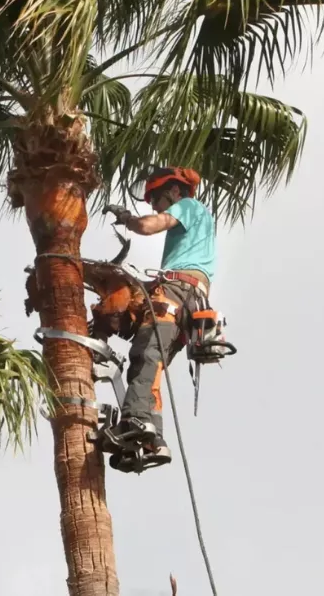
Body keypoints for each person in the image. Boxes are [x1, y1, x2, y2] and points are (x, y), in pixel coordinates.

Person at [106, 166, 215, 468]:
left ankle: (136, 420)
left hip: (177, 293)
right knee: (151, 365)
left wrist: (127, 218)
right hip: (188, 300)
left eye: (156, 198)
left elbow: (148, 226)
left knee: (146, 354)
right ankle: (152, 441)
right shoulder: (195, 229)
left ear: (175, 191)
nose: (154, 206)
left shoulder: (189, 206)